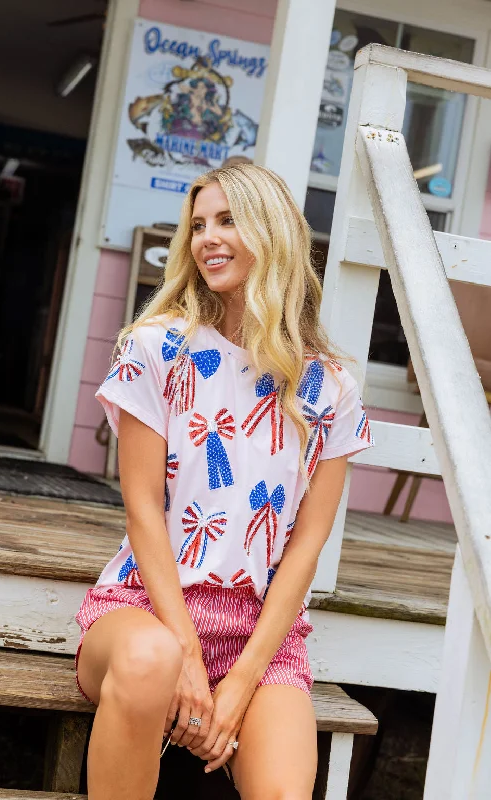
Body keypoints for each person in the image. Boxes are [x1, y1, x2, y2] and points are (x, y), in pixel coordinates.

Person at [75, 163, 375, 799]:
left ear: (273, 231)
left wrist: (238, 682)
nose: (207, 237)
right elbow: (143, 508)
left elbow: (305, 548)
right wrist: (184, 650)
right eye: (198, 225)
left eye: (228, 220)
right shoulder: (157, 349)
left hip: (260, 634)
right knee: (150, 659)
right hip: (147, 611)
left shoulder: (331, 388)